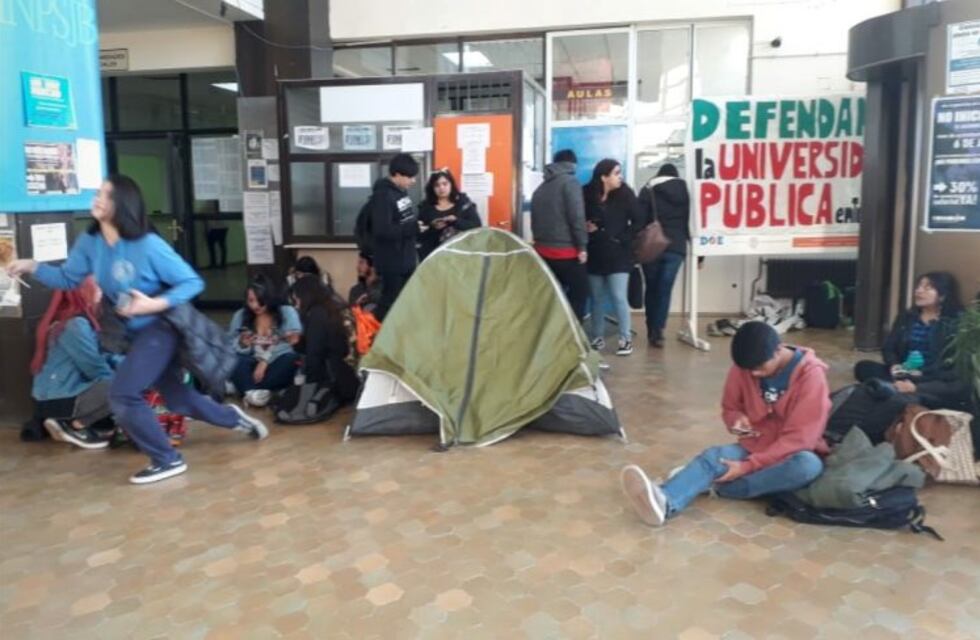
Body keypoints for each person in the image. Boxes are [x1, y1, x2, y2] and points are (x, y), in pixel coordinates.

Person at [7, 175, 268, 485]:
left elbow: (192, 282)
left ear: (123, 204)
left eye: (105, 194)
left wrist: (152, 304)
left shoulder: (148, 245)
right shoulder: (90, 243)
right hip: (131, 333)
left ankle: (167, 459)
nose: (97, 198)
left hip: (162, 327)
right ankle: (234, 419)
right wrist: (31, 265)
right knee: (177, 398)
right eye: (98, 192)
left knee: (124, 393)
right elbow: (67, 278)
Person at [620, 321, 829, 526]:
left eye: (759, 368)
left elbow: (799, 440)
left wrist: (748, 466)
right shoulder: (744, 367)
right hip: (755, 445)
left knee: (808, 466)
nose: (754, 374)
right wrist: (735, 420)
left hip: (789, 455)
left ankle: (710, 485)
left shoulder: (811, 377)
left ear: (778, 351)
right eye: (749, 370)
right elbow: (730, 407)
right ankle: (665, 501)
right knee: (713, 457)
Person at [854, 271, 969, 410]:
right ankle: (903, 390)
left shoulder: (955, 323)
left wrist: (918, 380)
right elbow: (889, 348)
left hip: (931, 377)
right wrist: (894, 365)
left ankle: (908, 391)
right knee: (863, 367)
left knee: (956, 387)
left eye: (927, 288)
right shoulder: (907, 317)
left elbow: (951, 367)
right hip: (903, 372)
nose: (919, 291)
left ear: (943, 295)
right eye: (919, 286)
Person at [31, 276, 114, 449]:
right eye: (96, 286)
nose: (100, 291)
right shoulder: (75, 325)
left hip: (57, 396)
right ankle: (75, 425)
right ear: (82, 292)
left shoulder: (69, 320)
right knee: (124, 386)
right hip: (60, 399)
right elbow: (95, 368)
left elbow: (99, 357)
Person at [584, 159, 641, 356]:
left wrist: (622, 237)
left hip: (619, 254)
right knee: (596, 298)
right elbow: (578, 217)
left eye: (620, 173)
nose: (620, 177)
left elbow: (639, 220)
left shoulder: (625, 193)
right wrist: (586, 226)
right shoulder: (587, 193)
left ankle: (625, 338)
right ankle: (597, 337)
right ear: (604, 176)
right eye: (616, 173)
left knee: (618, 296)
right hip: (595, 251)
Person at [531, 149, 589, 321]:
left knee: (551, 296)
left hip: (543, 251)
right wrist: (582, 246)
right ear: (573, 164)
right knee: (580, 293)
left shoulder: (541, 188)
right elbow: (576, 216)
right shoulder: (570, 182)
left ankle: (554, 333)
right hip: (566, 251)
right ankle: (572, 336)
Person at [228, 274, 302, 408]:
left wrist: (265, 361)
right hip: (251, 361)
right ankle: (256, 393)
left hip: (276, 361)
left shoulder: (286, 312)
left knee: (290, 360)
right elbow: (228, 345)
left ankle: (246, 389)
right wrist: (242, 344)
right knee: (235, 360)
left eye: (260, 301)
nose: (255, 305)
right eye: (251, 300)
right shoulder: (240, 315)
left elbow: (292, 342)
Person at [637, 163, 691, 347]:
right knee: (664, 290)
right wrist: (699, 254)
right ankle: (658, 330)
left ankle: (651, 327)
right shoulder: (687, 191)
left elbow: (639, 218)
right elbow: (691, 222)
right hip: (676, 246)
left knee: (651, 287)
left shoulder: (648, 188)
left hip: (652, 245)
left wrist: (633, 247)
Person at [290, 277, 359, 405]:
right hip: (352, 377)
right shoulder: (336, 307)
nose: (296, 305)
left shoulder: (317, 314)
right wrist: (298, 343)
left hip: (336, 383)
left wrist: (309, 389)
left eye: (297, 300)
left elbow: (314, 354)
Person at [368, 153, 420, 321]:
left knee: (403, 303)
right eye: (410, 177)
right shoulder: (383, 195)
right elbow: (382, 230)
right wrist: (413, 228)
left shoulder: (401, 193)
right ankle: (372, 334)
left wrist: (418, 226)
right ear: (397, 174)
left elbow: (403, 222)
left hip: (405, 259)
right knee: (389, 302)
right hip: (392, 261)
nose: (413, 181)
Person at [417, 168, 482, 260]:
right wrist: (433, 227)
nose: (441, 188)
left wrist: (456, 221)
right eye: (437, 185)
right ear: (432, 188)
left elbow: (477, 225)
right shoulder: (426, 207)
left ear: (451, 184)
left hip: (463, 255)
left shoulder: (463, 202)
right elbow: (419, 236)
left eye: (445, 184)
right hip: (436, 258)